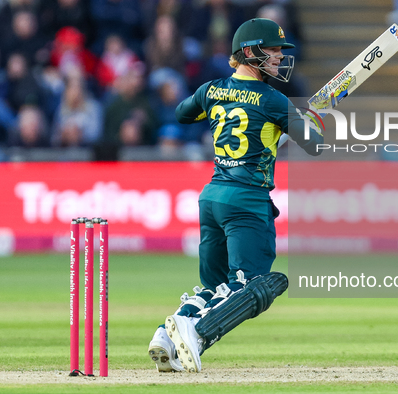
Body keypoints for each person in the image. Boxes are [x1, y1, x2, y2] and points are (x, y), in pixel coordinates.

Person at [147, 18, 323, 373]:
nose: (278, 58)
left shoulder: (212, 90)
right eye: (272, 51)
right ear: (249, 53)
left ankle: (167, 335)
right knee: (252, 286)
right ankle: (194, 332)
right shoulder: (273, 100)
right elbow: (315, 144)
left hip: (212, 197)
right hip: (247, 201)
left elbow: (182, 114)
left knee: (215, 287)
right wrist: (312, 120)